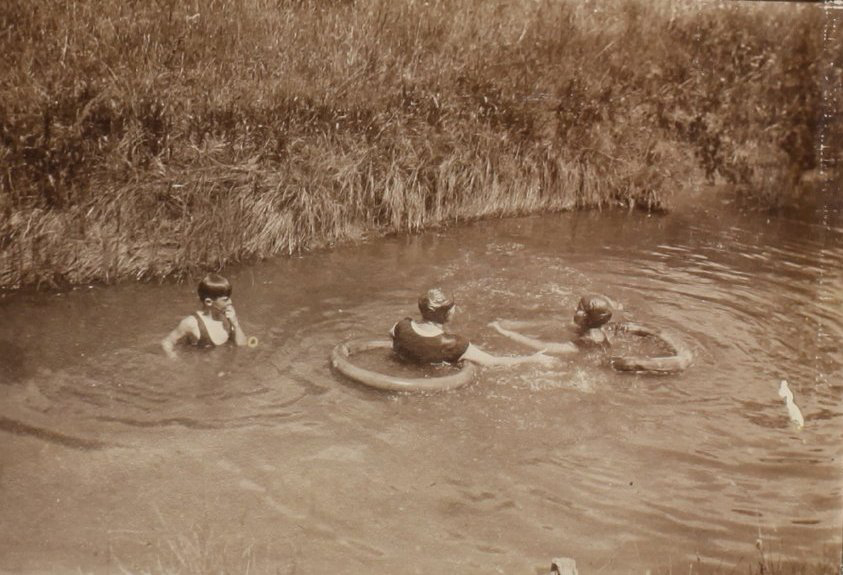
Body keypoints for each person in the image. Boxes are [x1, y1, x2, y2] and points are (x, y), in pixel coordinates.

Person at [390, 288, 555, 367]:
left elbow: (392, 335)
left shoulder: (401, 326)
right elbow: (493, 362)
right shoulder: (454, 344)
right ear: (447, 314)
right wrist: (531, 359)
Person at [490, 293, 618, 355]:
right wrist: (513, 324)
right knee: (559, 323)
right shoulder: (596, 328)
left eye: (578, 308)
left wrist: (504, 332)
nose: (574, 309)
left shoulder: (585, 344)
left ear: (585, 318)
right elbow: (556, 323)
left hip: (598, 371)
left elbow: (542, 346)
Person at [161, 273, 248, 359]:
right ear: (209, 302)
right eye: (225, 299)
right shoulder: (191, 323)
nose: (230, 302)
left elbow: (242, 346)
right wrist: (175, 359)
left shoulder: (227, 317)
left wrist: (235, 323)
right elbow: (166, 342)